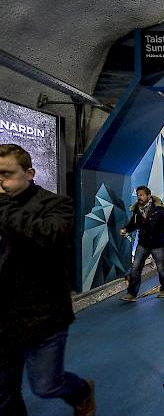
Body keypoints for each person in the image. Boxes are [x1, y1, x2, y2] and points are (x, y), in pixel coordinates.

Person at [0, 144, 96, 415]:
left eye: (6, 174)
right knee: (4, 394)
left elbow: (47, 235)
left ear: (29, 173)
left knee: (46, 385)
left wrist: (3, 206)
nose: (0, 182)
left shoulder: (57, 205)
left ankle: (82, 391)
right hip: (4, 319)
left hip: (43, 317)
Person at [120, 185, 164, 301]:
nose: (139, 197)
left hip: (158, 244)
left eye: (141, 195)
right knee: (135, 267)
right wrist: (126, 229)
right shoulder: (137, 209)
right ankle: (131, 294)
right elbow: (134, 223)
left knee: (161, 268)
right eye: (138, 195)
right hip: (143, 243)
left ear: (148, 196)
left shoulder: (159, 208)